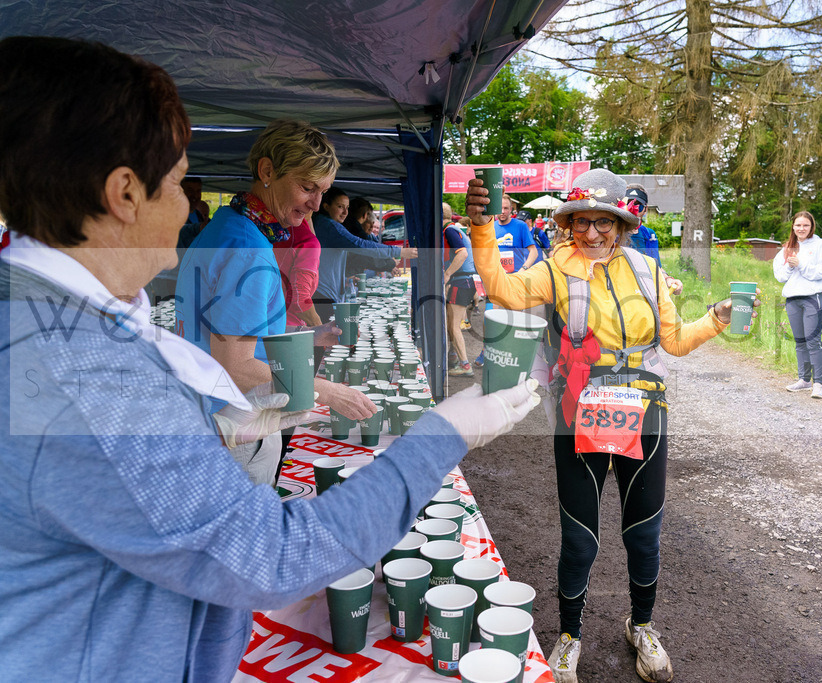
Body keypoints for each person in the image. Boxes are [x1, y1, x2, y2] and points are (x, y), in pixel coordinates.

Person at [0, 36, 540, 682]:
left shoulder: (41, 319)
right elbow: (272, 554)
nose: (187, 206)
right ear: (123, 193)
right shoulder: (87, 375)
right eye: (177, 183)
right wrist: (444, 434)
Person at [466, 168, 758, 683]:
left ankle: (641, 626)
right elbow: (502, 290)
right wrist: (482, 228)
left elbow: (672, 341)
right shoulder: (554, 269)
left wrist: (715, 317)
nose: (593, 233)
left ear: (622, 224)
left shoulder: (647, 270)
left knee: (644, 533)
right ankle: (569, 635)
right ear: (569, 224)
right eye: (582, 222)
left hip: (645, 413)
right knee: (580, 537)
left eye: (605, 222)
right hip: (579, 414)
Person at [176, 119, 377, 486]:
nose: (316, 205)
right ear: (267, 170)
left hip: (206, 418)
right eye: (307, 187)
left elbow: (227, 327)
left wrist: (313, 334)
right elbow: (236, 365)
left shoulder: (227, 224)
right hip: (235, 428)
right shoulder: (250, 248)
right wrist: (326, 391)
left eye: (323, 191)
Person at [311, 187, 415, 321]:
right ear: (326, 206)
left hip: (324, 292)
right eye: (340, 207)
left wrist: (345, 277)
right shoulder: (328, 226)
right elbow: (360, 244)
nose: (345, 212)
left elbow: (328, 261)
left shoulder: (326, 224)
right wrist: (399, 251)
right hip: (323, 294)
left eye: (347, 207)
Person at [473, 193, 539, 366]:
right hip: (496, 280)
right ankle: (487, 352)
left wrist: (524, 269)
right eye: (500, 208)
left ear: (512, 210)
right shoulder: (491, 226)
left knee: (514, 321)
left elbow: (534, 251)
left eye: (506, 208)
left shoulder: (520, 226)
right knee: (492, 319)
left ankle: (513, 357)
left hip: (516, 280)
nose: (502, 212)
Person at [772, 211, 822, 398]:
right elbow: (780, 277)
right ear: (793, 226)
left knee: (813, 341)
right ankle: (804, 380)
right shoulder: (787, 248)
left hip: (812, 299)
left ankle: (819, 384)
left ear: (811, 226)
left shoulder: (821, 245)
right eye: (798, 225)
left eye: (805, 225)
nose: (801, 228)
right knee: (800, 342)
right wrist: (790, 266)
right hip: (792, 300)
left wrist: (800, 264)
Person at [442, 202, 476, 376]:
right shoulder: (453, 229)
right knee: (450, 324)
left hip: (461, 282)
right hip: (464, 281)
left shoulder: (449, 230)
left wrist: (447, 274)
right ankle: (454, 357)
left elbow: (462, 254)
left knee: (454, 326)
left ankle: (465, 366)